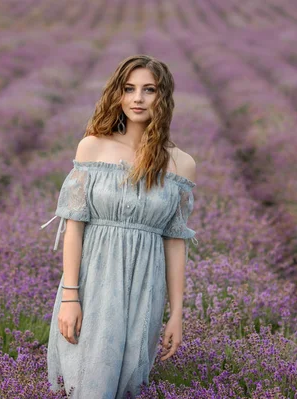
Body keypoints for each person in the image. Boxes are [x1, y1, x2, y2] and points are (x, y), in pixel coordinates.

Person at [40, 54, 198, 399]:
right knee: (89, 383)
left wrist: (177, 314)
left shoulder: (182, 164)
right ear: (118, 94)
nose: (138, 98)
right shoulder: (93, 146)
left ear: (164, 97)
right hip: (92, 284)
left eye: (149, 90)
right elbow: (74, 226)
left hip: (145, 289)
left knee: (127, 386)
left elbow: (175, 243)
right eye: (129, 89)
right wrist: (70, 297)